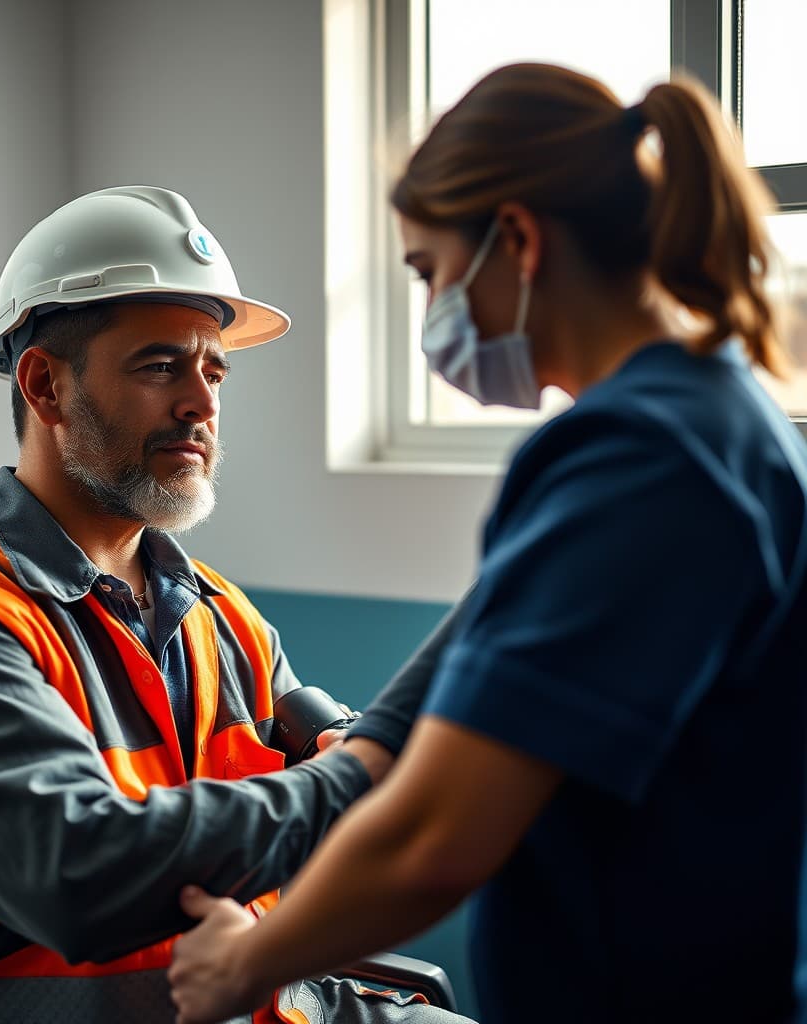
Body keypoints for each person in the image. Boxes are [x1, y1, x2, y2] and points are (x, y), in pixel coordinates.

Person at [167, 64, 807, 1024]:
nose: (430, 313)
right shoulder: (730, 414)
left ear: (516, 238)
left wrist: (249, 962)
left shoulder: (635, 456)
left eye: (428, 271)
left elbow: (436, 836)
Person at [0, 186, 469, 1024]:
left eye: (214, 368)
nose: (202, 402)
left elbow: (324, 809)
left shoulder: (219, 614)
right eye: (162, 366)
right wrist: (347, 780)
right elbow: (82, 875)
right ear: (45, 386)